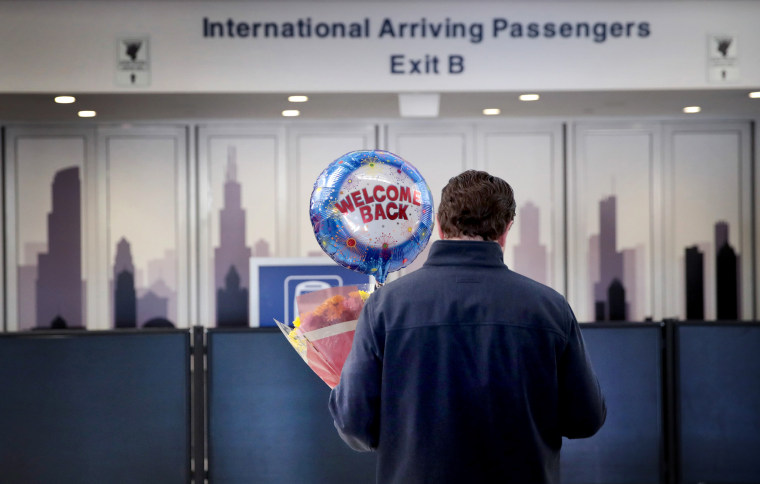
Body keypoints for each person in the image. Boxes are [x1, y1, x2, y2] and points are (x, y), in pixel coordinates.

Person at [329, 170, 606, 484]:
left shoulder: (385, 306)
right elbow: (585, 420)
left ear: (438, 226)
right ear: (507, 228)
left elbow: (354, 426)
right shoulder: (550, 308)